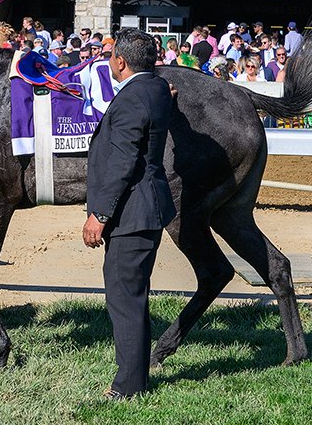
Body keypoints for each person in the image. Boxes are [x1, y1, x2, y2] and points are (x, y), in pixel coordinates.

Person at [83, 28, 176, 401]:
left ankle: (129, 386)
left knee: (124, 297)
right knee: (132, 294)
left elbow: (122, 162)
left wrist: (99, 215)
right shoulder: (156, 89)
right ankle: (134, 375)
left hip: (131, 213)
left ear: (120, 62)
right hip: (148, 208)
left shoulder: (132, 98)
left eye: (109, 56)